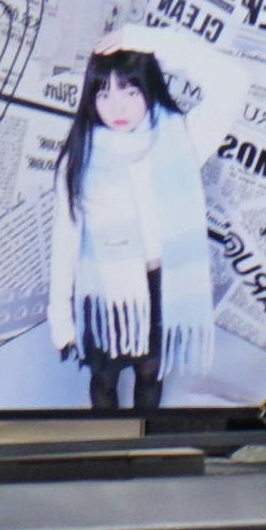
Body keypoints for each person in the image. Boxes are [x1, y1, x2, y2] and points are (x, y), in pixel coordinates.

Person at [46, 44, 205, 414]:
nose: (117, 108)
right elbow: (65, 242)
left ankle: (142, 442)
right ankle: (110, 442)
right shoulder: (80, 157)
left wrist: (144, 40)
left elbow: (233, 84)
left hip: (160, 286)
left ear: (150, 89)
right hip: (104, 291)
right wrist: (60, 316)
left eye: (130, 92)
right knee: (104, 377)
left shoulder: (178, 141)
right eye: (104, 94)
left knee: (151, 373)